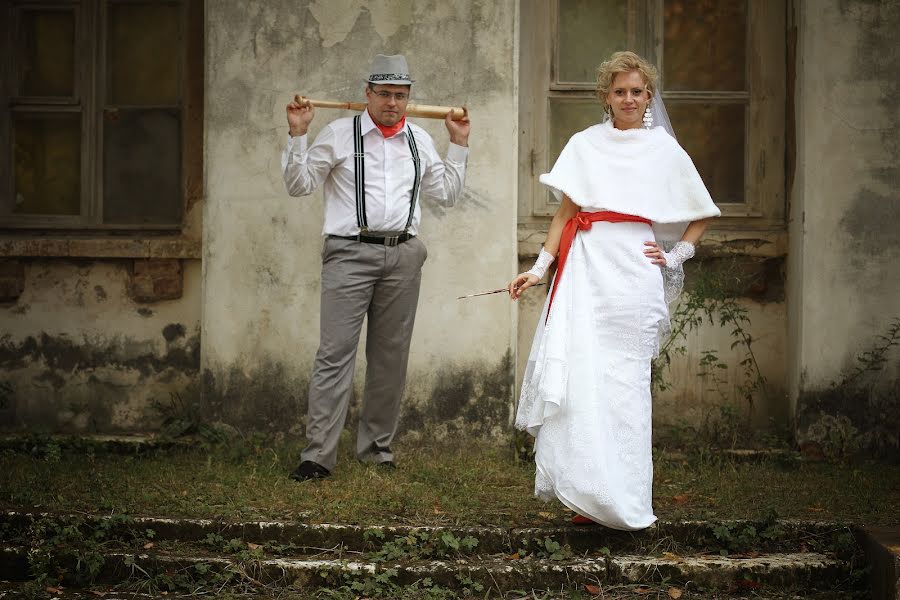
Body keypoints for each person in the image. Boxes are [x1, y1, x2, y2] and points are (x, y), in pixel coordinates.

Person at [508, 51, 720, 530]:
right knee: (584, 380)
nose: (629, 98)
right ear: (607, 96)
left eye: (638, 91)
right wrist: (539, 270)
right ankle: (588, 494)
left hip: (633, 276)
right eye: (620, 91)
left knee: (625, 386)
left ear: (649, 96)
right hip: (586, 270)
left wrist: (675, 255)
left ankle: (625, 498)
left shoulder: (663, 149)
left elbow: (702, 213)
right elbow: (564, 216)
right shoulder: (585, 144)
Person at [282, 54, 471, 481]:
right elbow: (298, 186)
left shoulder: (420, 140)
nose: (392, 102)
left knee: (390, 357)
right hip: (349, 252)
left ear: (408, 97)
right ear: (367, 93)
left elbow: (447, 194)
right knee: (334, 356)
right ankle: (317, 456)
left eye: (400, 95)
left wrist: (458, 143)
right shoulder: (338, 134)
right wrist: (298, 135)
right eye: (384, 94)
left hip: (404, 254)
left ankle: (377, 450)